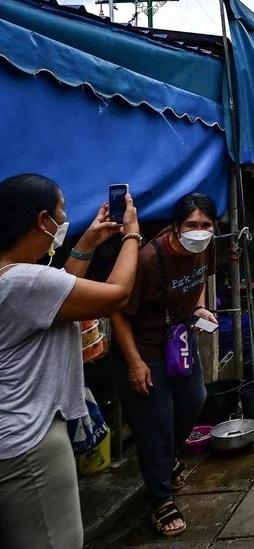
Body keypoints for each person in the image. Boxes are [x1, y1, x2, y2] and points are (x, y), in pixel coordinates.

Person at [0, 174, 141, 549]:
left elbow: (58, 287)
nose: (66, 218)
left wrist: (88, 241)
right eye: (62, 211)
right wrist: (131, 235)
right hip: (30, 441)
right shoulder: (22, 282)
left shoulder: (14, 278)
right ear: (43, 221)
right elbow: (116, 295)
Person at [110, 192, 218, 538]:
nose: (199, 231)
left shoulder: (206, 247)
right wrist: (134, 362)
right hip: (144, 346)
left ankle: (166, 460)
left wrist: (198, 308)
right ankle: (160, 501)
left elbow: (201, 278)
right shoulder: (148, 259)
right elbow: (117, 309)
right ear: (175, 227)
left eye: (205, 225)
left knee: (193, 400)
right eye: (191, 225)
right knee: (155, 421)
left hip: (179, 341)